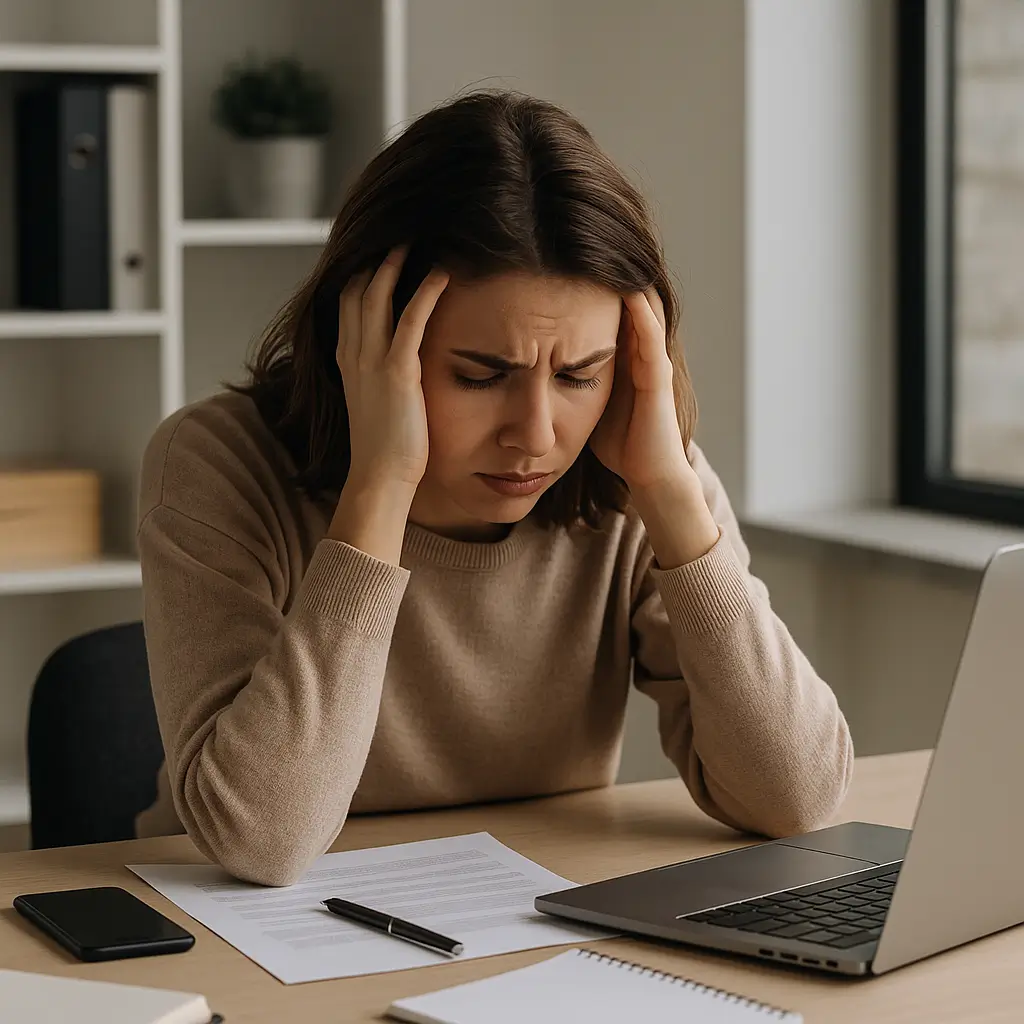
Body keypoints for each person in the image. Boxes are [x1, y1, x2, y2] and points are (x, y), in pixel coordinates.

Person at [136, 90, 853, 887]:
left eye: (581, 375)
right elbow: (260, 842)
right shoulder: (217, 464)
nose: (537, 435)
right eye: (480, 376)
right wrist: (380, 486)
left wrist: (672, 496)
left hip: (528, 933)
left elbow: (798, 799)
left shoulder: (638, 471)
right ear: (363, 345)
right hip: (234, 940)